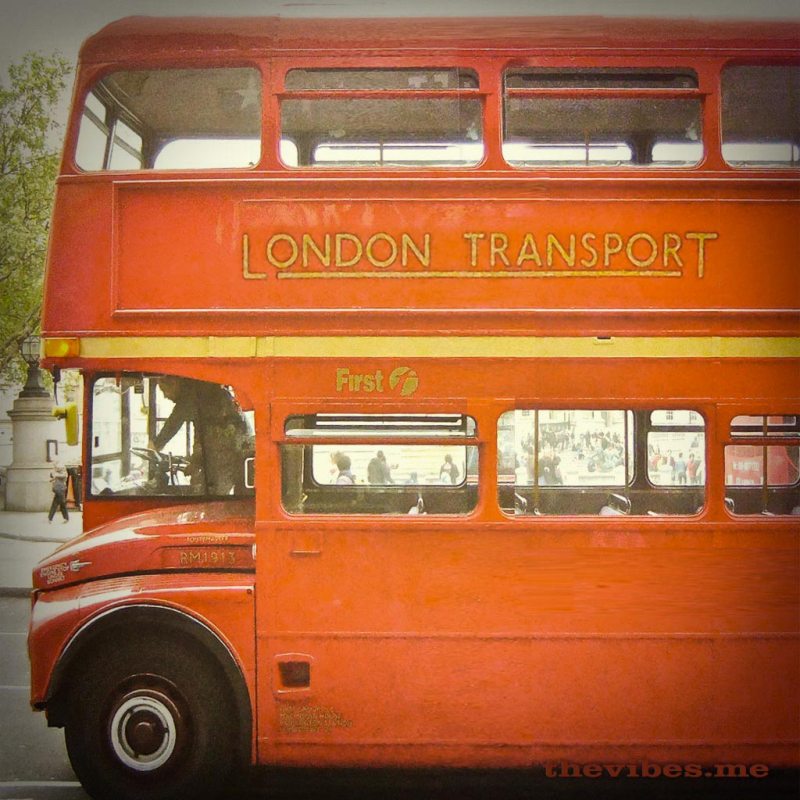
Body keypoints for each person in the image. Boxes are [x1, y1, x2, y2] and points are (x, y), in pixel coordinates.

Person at [150, 376, 250, 495]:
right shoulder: (202, 394)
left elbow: (175, 421)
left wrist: (156, 444)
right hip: (234, 444)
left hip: (230, 448)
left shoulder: (192, 393)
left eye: (164, 390)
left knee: (211, 493)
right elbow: (202, 436)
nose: (165, 396)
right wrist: (195, 461)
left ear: (174, 383)